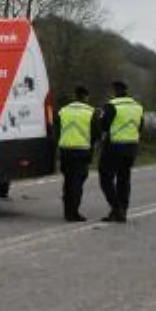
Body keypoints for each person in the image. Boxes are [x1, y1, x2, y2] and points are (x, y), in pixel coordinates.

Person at [97, 80, 144, 223]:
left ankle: (117, 208)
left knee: (105, 177)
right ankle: (122, 209)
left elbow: (103, 125)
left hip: (114, 146)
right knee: (124, 178)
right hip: (131, 147)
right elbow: (140, 127)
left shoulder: (111, 105)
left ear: (115, 91)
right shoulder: (138, 106)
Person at [56, 85, 99, 222]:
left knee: (68, 181)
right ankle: (73, 213)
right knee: (77, 183)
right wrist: (91, 145)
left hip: (65, 151)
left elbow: (56, 130)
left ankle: (67, 210)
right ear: (86, 97)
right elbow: (96, 134)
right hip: (81, 152)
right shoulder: (90, 111)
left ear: (75, 95)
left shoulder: (63, 111)